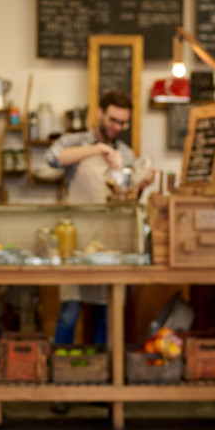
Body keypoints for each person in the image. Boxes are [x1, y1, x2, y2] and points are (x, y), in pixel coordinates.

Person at [46, 89, 155, 346]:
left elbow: (123, 196)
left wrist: (140, 185)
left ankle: (99, 371)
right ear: (99, 113)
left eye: (122, 122)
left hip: (108, 243)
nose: (118, 126)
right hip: (75, 240)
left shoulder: (126, 154)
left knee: (105, 314)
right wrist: (97, 149)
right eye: (113, 120)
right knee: (70, 312)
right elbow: (52, 157)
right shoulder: (75, 141)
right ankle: (61, 371)